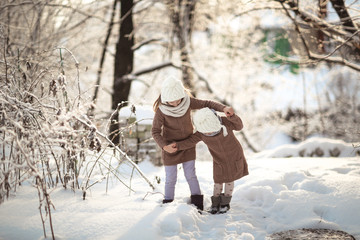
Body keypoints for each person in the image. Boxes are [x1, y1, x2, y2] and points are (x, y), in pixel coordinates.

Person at [151, 77, 234, 211]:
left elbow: (207, 103)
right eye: (172, 100)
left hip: (188, 145)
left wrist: (223, 108)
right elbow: (155, 132)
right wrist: (164, 146)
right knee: (171, 178)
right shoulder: (162, 111)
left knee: (191, 174)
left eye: (178, 98)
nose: (176, 102)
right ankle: (167, 205)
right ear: (165, 98)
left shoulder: (187, 103)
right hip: (170, 148)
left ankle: (197, 204)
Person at [173, 107, 248, 214]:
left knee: (229, 179)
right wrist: (177, 146)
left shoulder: (225, 122)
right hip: (218, 159)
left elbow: (239, 126)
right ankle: (215, 204)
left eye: (211, 131)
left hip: (233, 155)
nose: (209, 133)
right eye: (206, 132)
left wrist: (232, 117)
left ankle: (225, 203)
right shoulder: (201, 133)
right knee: (218, 181)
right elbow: (190, 141)